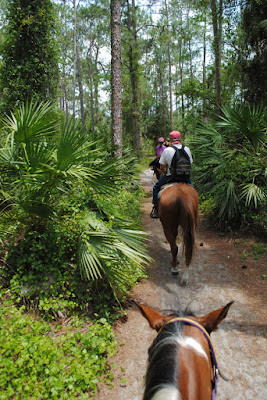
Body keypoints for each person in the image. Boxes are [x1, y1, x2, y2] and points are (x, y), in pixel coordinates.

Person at [150, 130, 193, 219]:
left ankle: (156, 209)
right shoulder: (187, 149)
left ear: (170, 139)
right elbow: (190, 163)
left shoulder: (167, 150)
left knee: (156, 187)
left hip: (171, 177)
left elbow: (162, 167)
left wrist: (166, 172)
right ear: (180, 138)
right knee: (193, 190)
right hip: (185, 177)